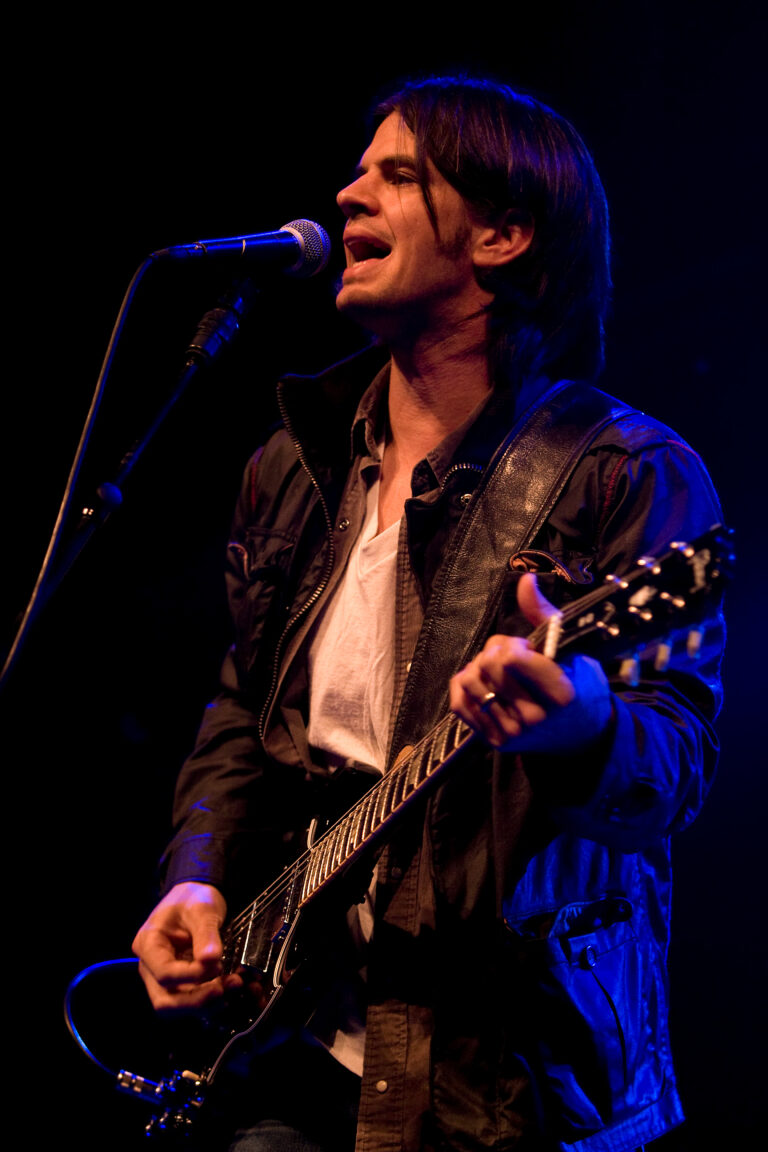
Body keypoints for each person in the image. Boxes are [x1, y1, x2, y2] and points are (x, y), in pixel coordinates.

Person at [131, 75, 725, 1152]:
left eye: (399, 175)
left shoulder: (624, 474)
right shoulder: (294, 461)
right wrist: (198, 878)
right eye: (360, 170)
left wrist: (582, 726)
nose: (350, 195)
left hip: (508, 1081)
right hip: (298, 1041)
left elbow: (674, 776)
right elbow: (242, 709)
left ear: (501, 235)